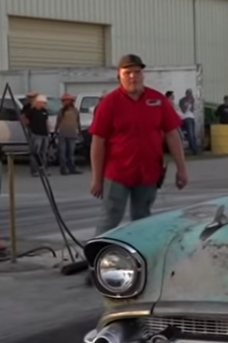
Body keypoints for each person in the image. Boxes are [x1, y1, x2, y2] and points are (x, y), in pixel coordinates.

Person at [88, 54, 189, 242]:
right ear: (119, 76)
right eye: (128, 73)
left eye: (137, 72)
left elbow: (172, 135)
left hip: (148, 174)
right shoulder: (109, 103)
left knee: (142, 219)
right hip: (117, 174)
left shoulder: (157, 100)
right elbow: (98, 142)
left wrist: (181, 169)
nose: (133, 76)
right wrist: (96, 178)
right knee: (110, 218)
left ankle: (139, 260)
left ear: (143, 74)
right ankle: (96, 263)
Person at [21, 93, 51, 176]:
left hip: (44, 134)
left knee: (44, 153)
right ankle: (34, 170)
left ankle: (43, 169)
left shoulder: (44, 111)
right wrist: (27, 125)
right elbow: (23, 116)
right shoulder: (31, 110)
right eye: (43, 103)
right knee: (35, 152)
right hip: (36, 133)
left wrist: (48, 132)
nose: (45, 104)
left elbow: (46, 122)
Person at [56, 93, 81, 174]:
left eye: (67, 100)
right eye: (64, 101)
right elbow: (58, 122)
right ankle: (63, 169)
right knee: (62, 153)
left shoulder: (75, 111)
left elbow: (78, 122)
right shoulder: (61, 111)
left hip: (72, 134)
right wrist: (55, 132)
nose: (65, 102)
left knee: (71, 153)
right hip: (62, 134)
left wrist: (79, 132)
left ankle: (71, 168)